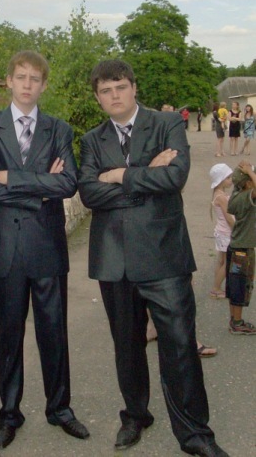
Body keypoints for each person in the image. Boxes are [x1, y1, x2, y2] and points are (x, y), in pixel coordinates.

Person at [78, 59, 228, 457]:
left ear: (134, 87)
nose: (114, 95)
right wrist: (146, 173)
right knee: (127, 348)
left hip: (164, 256)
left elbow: (174, 177)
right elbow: (89, 193)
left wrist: (118, 175)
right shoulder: (92, 140)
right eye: (106, 91)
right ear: (98, 98)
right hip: (114, 260)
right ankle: (135, 415)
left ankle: (195, 435)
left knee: (179, 347)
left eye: (120, 87)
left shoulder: (167, 124)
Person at [0, 51, 89, 450]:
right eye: (20, 77)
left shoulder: (58, 130)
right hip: (3, 248)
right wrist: (38, 188)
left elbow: (68, 184)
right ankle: (9, 414)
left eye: (34, 78)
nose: (26, 84)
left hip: (46, 246)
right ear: (8, 81)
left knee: (54, 332)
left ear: (43, 85)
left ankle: (60, 409)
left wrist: (12, 178)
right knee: (8, 336)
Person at [226, 161, 256, 335]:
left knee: (234, 285)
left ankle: (234, 319)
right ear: (248, 183)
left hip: (235, 246)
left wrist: (245, 171)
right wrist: (250, 172)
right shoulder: (247, 197)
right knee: (241, 286)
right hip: (243, 251)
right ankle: (237, 323)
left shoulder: (236, 195)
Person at [209, 164, 234, 299]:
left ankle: (217, 286)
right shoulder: (221, 197)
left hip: (222, 232)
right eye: (228, 178)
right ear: (220, 180)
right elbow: (229, 218)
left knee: (222, 261)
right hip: (226, 233)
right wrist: (237, 229)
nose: (231, 180)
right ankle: (216, 288)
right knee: (227, 263)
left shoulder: (218, 194)